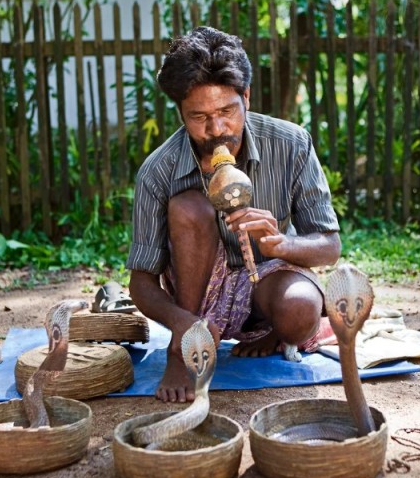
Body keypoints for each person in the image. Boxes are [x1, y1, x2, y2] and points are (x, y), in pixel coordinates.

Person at [126, 26, 341, 403]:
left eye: (227, 111)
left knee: (302, 309)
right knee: (189, 206)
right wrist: (181, 323)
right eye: (198, 117)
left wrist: (281, 243)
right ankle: (184, 350)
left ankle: (271, 333)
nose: (216, 129)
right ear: (180, 113)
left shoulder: (291, 143)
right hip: (197, 293)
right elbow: (141, 282)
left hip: (266, 279)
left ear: (246, 96)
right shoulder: (158, 170)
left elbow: (329, 246)